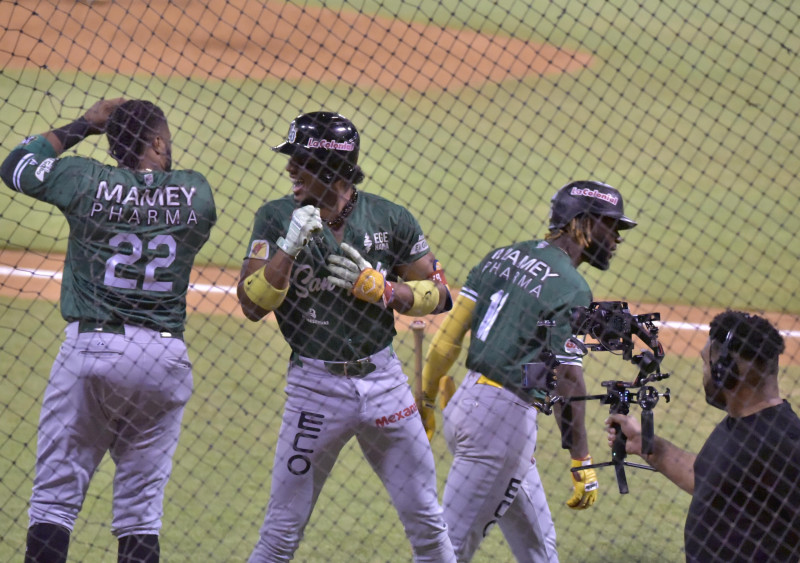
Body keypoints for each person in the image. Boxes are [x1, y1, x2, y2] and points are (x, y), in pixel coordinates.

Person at [0, 98, 217, 563]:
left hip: (94, 349)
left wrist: (84, 125)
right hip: (163, 358)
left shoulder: (85, 179)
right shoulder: (195, 192)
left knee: (54, 502)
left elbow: (17, 165)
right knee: (141, 513)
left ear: (114, 143)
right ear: (156, 141)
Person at [237, 111, 456, 562]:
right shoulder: (276, 217)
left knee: (429, 527)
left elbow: (442, 295)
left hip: (385, 386)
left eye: (300, 159)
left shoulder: (390, 219)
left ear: (331, 168)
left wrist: (387, 290)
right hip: (314, 389)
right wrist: (287, 248)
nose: (289, 168)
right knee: (280, 532)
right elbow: (253, 305)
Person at [420, 180, 637, 562]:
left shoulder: (501, 257)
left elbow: (446, 341)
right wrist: (582, 459)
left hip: (470, 405)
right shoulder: (571, 287)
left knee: (538, 547)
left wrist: (425, 398)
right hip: (499, 429)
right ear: (582, 222)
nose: (617, 238)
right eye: (612, 226)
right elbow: (568, 381)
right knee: (446, 551)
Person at [606, 310, 800, 562]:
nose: (704, 372)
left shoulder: (784, 443)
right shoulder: (739, 423)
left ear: (726, 371)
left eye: (706, 364)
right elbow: (710, 479)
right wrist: (648, 445)